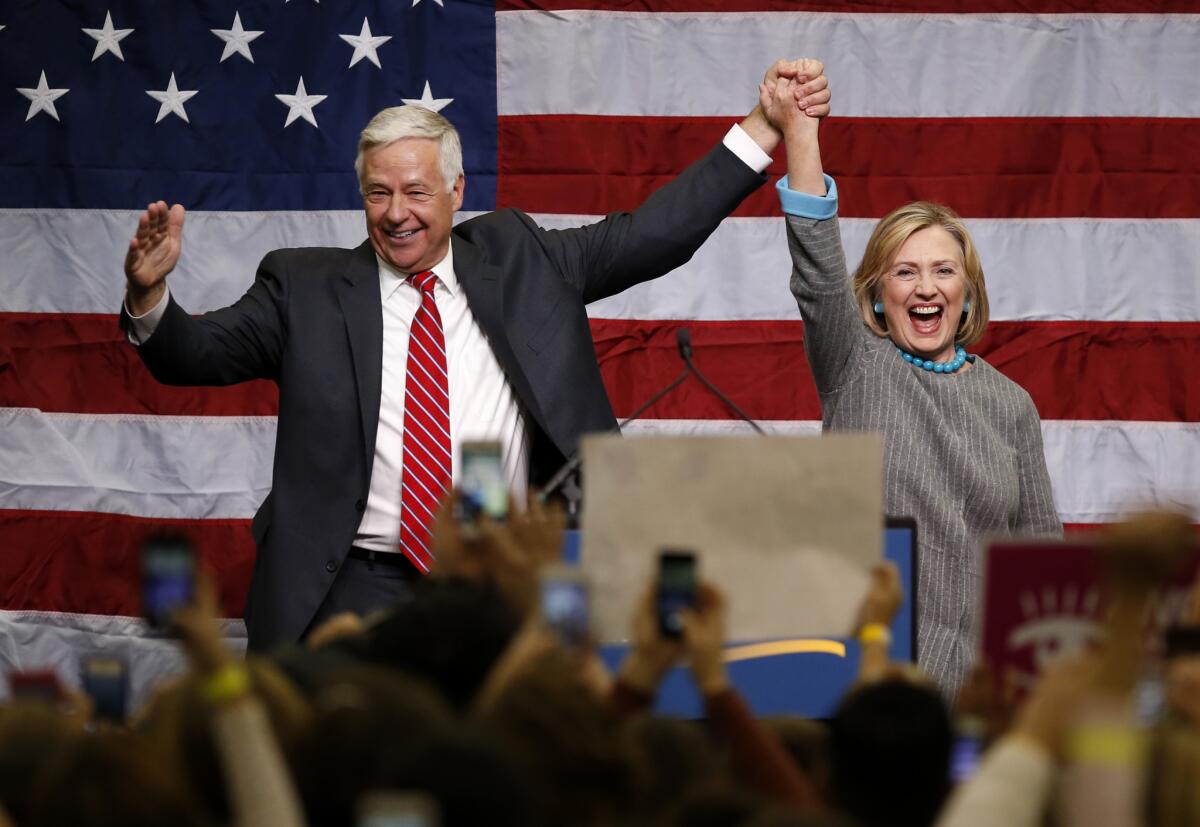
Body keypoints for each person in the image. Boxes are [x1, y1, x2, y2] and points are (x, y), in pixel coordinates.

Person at [119, 60, 833, 651]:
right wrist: (151, 298)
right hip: (354, 585)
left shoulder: (523, 258)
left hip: (506, 581)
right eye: (378, 192)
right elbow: (196, 355)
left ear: (458, 191)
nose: (396, 211)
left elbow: (654, 235)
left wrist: (763, 128)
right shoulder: (301, 287)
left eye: (416, 191)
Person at [760, 75, 1061, 694]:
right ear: (876, 291)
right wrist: (801, 131)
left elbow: (1041, 569)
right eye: (905, 272)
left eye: (943, 271)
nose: (926, 287)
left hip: (978, 695)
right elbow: (817, 267)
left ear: (967, 290)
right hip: (861, 687)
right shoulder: (856, 365)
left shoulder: (1012, 405)